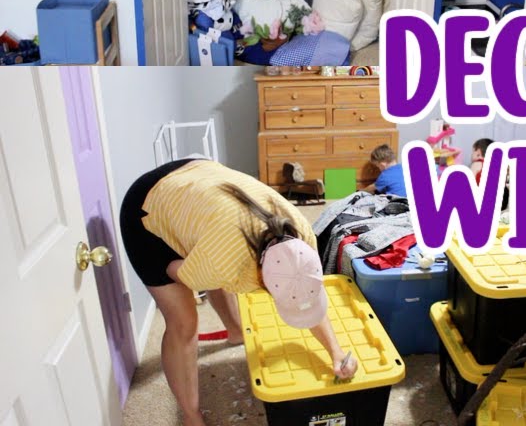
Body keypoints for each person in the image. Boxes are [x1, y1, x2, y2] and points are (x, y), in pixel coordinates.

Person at [119, 159, 358, 426]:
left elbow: (305, 294)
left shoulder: (304, 236)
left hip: (202, 184)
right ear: (261, 280)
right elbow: (177, 274)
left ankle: (235, 330)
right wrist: (201, 265)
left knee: (221, 270)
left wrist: (336, 352)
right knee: (183, 323)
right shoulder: (221, 263)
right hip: (147, 205)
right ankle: (191, 415)